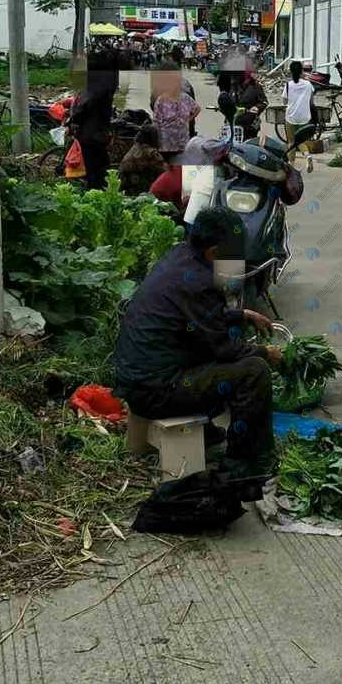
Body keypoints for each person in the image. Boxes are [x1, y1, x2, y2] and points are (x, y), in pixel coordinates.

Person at [114, 208, 281, 478]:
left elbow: (196, 319)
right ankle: (244, 462)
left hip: (137, 379)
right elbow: (225, 349)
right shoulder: (201, 283)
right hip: (156, 392)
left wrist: (241, 314)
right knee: (254, 371)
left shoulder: (180, 256)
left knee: (212, 354)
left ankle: (206, 432)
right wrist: (266, 352)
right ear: (214, 252)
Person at [69, 48, 118, 190]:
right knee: (101, 165)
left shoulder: (95, 85)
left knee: (93, 166)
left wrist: (74, 118)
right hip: (101, 131)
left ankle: (95, 190)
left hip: (90, 133)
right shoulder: (107, 82)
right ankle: (105, 189)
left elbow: (85, 105)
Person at [152, 68, 201, 160]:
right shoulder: (161, 100)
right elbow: (156, 121)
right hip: (166, 142)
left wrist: (189, 119)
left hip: (182, 141)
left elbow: (197, 109)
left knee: (181, 164)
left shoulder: (186, 98)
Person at [282, 58, 316, 172]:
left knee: (291, 142)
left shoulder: (288, 85)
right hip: (304, 117)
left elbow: (284, 101)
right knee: (301, 141)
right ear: (302, 71)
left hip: (291, 116)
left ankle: (291, 165)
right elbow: (311, 101)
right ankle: (307, 156)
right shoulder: (308, 84)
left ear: (291, 72)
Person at [118, 123, 167, 197]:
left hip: (126, 190)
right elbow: (166, 171)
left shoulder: (135, 148)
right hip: (142, 192)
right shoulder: (151, 153)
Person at [236, 64, 267, 140]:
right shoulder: (234, 86)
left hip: (250, 123)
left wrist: (257, 107)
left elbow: (264, 102)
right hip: (235, 122)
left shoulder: (256, 87)